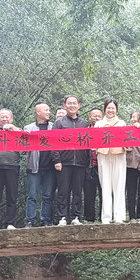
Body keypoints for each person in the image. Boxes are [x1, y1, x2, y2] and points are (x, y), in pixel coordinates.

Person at [52, 95, 89, 225]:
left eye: (74, 103)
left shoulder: (84, 123)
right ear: (65, 105)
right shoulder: (59, 123)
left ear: (78, 106)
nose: (72, 105)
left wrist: (87, 161)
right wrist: (56, 160)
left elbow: (87, 143)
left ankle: (76, 217)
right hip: (64, 162)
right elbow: (53, 142)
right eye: (69, 103)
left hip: (80, 162)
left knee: (78, 191)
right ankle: (62, 217)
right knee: (63, 191)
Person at [0, 108, 21, 231]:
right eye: (2, 117)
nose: (5, 119)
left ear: (11, 119)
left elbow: (26, 138)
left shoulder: (18, 131)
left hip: (12, 166)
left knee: (12, 196)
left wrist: (13, 129)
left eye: (7, 117)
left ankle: (10, 222)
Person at [24, 102, 56, 227]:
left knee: (48, 196)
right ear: (38, 112)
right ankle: (30, 220)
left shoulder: (54, 127)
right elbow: (23, 145)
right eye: (46, 110)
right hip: (34, 167)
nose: (49, 112)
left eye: (49, 110)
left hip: (50, 167)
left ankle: (45, 220)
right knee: (32, 195)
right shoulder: (29, 128)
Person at [94, 99, 127, 223]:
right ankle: (106, 217)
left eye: (113, 108)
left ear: (116, 110)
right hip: (103, 155)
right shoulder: (98, 124)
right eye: (108, 108)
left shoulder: (121, 123)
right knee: (105, 185)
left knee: (119, 185)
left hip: (119, 155)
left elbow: (128, 140)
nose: (110, 110)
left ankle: (119, 216)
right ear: (104, 109)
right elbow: (93, 141)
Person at [125, 111, 140, 221]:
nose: (132, 119)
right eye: (131, 117)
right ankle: (132, 216)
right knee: (131, 191)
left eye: (134, 117)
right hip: (131, 163)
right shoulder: (128, 130)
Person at [83, 107, 103, 222]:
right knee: (89, 194)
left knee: (104, 192)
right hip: (88, 166)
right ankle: (89, 218)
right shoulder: (84, 130)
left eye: (99, 116)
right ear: (89, 117)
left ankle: (103, 217)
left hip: (103, 165)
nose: (96, 118)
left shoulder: (106, 130)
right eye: (94, 116)